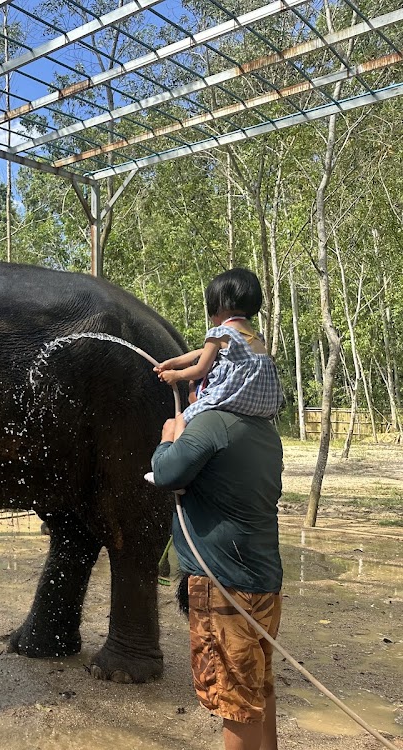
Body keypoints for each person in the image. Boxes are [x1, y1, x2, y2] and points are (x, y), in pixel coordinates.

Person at [150, 406, 284, 750]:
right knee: (258, 683)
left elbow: (166, 473)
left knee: (236, 700)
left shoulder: (211, 423)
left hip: (224, 588)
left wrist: (168, 440)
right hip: (264, 582)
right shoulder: (264, 430)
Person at [154, 268, 282, 428]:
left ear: (219, 306)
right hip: (262, 404)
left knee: (181, 420)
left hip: (234, 400)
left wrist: (176, 375)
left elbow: (200, 369)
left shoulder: (220, 333)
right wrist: (172, 363)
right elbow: (202, 353)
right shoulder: (255, 336)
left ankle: (180, 444)